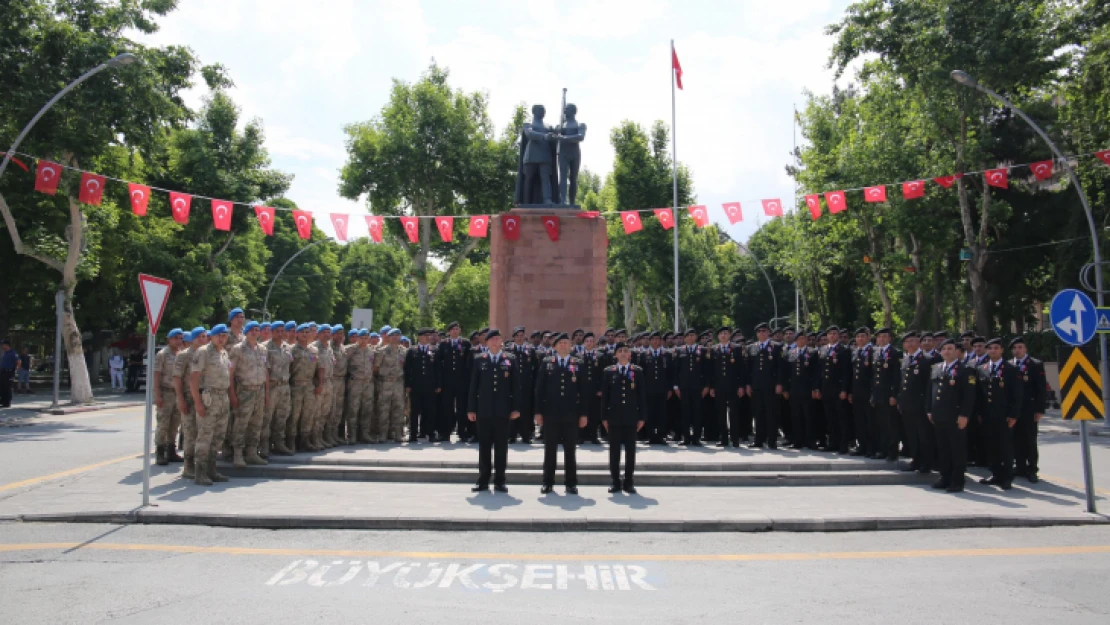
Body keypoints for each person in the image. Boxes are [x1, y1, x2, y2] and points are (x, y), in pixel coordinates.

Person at [468, 329, 521, 493]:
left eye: (497, 339)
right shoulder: (479, 360)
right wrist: (471, 408)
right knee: (484, 446)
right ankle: (483, 480)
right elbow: (473, 387)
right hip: (483, 410)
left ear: (501, 342)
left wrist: (516, 408)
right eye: (491, 339)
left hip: (502, 411)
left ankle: (500, 480)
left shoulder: (510, 360)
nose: (494, 342)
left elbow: (516, 387)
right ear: (487, 342)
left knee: (501, 447)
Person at [534, 333, 586, 494]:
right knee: (550, 450)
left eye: (566, 342)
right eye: (560, 343)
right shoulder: (547, 362)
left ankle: (571, 483)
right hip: (551, 414)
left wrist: (584, 414)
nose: (563, 345)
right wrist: (538, 412)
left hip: (571, 414)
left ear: (571, 346)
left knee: (570, 450)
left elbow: (584, 392)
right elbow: (539, 389)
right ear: (555, 346)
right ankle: (547, 482)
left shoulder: (578, 363)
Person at [928, 339, 977, 493]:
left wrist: (964, 415)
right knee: (943, 448)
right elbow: (931, 391)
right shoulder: (936, 368)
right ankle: (945, 477)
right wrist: (929, 410)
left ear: (957, 351)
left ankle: (957, 481)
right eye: (944, 349)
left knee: (957, 449)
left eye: (950, 348)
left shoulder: (965, 369)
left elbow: (969, 396)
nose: (947, 351)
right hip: (939, 415)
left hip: (956, 417)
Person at [189, 324, 233, 486]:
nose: (222, 338)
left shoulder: (223, 352)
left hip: (223, 396)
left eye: (225, 335)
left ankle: (212, 470)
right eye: (219, 335)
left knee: (219, 435)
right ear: (212, 336)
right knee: (205, 435)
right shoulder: (203, 352)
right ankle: (199, 472)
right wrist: (198, 402)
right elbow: (194, 378)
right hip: (209, 397)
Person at [601, 342, 646, 494]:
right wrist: (604, 417)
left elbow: (642, 396)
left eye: (626, 350)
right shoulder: (609, 372)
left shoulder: (637, 371)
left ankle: (628, 481)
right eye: (620, 350)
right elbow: (605, 397)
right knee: (614, 451)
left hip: (631, 417)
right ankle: (615, 481)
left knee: (630, 451)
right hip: (614, 418)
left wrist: (642, 417)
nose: (623, 353)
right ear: (615, 354)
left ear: (630, 354)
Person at [977, 338, 1019, 490]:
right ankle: (995, 473)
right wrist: (980, 413)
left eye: (996, 348)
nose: (993, 351)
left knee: (1005, 447)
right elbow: (980, 394)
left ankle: (1007, 477)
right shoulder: (982, 368)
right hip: (988, 415)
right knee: (991, 446)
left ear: (1001, 350)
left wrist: (1013, 414)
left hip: (1004, 415)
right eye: (990, 348)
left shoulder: (1011, 368)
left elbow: (1016, 394)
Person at [228, 321, 269, 467]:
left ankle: (252, 452)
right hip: (244, 390)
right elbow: (230, 373)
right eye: (252, 330)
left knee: (257, 423)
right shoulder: (237, 349)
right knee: (241, 423)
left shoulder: (263, 349)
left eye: (257, 330)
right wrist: (232, 394)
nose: (255, 332)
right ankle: (238, 454)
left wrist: (267, 393)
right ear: (246, 332)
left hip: (259, 390)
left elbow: (265, 371)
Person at [1009, 337, 1046, 483]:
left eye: (1020, 347)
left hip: (1029, 408)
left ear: (1025, 349)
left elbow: (1041, 389)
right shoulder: (1009, 365)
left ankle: (1032, 469)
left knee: (1030, 439)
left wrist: (1040, 409)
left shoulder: (1035, 364)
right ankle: (1019, 466)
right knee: (1015, 439)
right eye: (1015, 348)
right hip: (1014, 409)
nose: (1017, 350)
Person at [898, 331, 933, 474]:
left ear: (918, 342)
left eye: (912, 341)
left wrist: (928, 406)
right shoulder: (906, 359)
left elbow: (929, 386)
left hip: (920, 405)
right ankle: (916, 460)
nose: (909, 344)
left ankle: (927, 462)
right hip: (907, 404)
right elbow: (902, 383)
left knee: (923, 435)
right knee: (911, 434)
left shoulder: (927, 359)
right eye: (907, 342)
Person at [174, 327, 206, 479]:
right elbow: (177, 378)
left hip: (204, 397)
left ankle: (200, 465)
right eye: (199, 337)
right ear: (192, 339)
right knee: (190, 432)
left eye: (205, 336)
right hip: (188, 397)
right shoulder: (184, 355)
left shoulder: (205, 353)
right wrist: (180, 399)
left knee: (202, 433)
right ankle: (188, 467)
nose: (203, 339)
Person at [746, 323, 784, 449]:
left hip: (771, 386)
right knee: (758, 414)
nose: (762, 333)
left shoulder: (777, 347)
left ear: (769, 333)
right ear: (756, 334)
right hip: (756, 386)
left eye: (764, 331)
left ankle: (772, 441)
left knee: (771, 414)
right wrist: (748, 384)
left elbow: (780, 368)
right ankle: (758, 440)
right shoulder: (751, 347)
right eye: (759, 331)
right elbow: (749, 368)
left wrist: (779, 383)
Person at [261, 322, 295, 457]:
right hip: (272, 386)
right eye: (277, 331)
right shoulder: (265, 347)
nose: (280, 334)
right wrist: (267, 391)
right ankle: (264, 445)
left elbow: (291, 366)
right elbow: (265, 371)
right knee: (267, 417)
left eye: (282, 331)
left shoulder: (287, 347)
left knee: (282, 416)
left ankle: (279, 443)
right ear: (272, 332)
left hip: (285, 386)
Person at [152, 328, 185, 466]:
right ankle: (160, 452)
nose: (178, 341)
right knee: (163, 424)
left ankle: (171, 451)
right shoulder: (162, 354)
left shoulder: (182, 354)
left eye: (180, 338)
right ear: (169, 339)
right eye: (176, 338)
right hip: (166, 392)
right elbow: (157, 375)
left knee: (175, 424)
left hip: (177, 393)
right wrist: (157, 394)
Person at [816, 326, 850, 453]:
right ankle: (833, 442)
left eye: (834, 333)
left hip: (838, 389)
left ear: (838, 336)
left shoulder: (843, 350)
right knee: (830, 418)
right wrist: (818, 388)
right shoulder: (823, 350)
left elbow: (846, 372)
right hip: (826, 389)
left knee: (841, 417)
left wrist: (844, 389)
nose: (832, 336)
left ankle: (843, 444)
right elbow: (819, 371)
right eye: (829, 334)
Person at [709, 326, 744, 448]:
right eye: (721, 333)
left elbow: (741, 369)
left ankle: (735, 439)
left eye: (726, 333)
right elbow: (712, 371)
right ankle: (723, 439)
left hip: (733, 385)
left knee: (734, 413)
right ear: (718, 337)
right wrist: (712, 387)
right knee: (721, 413)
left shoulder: (737, 348)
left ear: (729, 335)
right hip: (719, 386)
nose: (723, 335)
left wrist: (741, 386)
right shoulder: (714, 349)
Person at [782, 331, 818, 449]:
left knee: (809, 416)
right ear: (795, 340)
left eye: (803, 338)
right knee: (796, 416)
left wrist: (814, 388)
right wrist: (786, 389)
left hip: (807, 390)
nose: (801, 340)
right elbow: (786, 373)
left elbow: (815, 373)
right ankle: (797, 441)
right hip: (794, 390)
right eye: (799, 339)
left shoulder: (812, 352)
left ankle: (810, 441)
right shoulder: (790, 353)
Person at [405, 328, 441, 443]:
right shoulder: (412, 351)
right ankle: (413, 434)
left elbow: (438, 370)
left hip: (430, 386)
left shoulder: (434, 350)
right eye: (425, 335)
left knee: (430, 410)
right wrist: (408, 384)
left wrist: (438, 384)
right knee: (414, 411)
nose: (428, 337)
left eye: (429, 335)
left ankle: (430, 433)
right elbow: (407, 369)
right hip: (416, 386)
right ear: (419, 337)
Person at [870, 327, 901, 462]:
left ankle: (892, 451)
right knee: (881, 424)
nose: (881, 339)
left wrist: (894, 395)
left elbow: (896, 376)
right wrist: (873, 394)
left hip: (889, 395)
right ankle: (882, 449)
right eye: (879, 337)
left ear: (889, 338)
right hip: (878, 394)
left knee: (891, 424)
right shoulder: (876, 352)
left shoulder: (895, 353)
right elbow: (874, 376)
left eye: (884, 336)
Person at [288, 323, 320, 452]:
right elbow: (288, 369)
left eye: (307, 332)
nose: (305, 334)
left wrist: (318, 384)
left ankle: (304, 441)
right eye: (302, 332)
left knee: (308, 415)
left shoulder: (314, 350)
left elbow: (317, 369)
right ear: (297, 334)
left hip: (309, 386)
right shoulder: (291, 350)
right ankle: (291, 441)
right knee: (294, 415)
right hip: (296, 385)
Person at [439, 321, 473, 443]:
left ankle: (462, 433)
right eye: (452, 329)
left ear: (460, 331)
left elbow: (469, 364)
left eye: (457, 329)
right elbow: (439, 364)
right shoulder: (443, 344)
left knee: (461, 408)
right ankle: (446, 433)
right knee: (446, 408)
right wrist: (440, 382)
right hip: (447, 382)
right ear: (449, 331)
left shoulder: (465, 343)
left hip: (461, 382)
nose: (455, 331)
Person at [674, 329, 708, 446]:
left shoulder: (702, 350)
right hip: (683, 387)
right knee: (685, 413)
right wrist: (675, 387)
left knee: (697, 413)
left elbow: (707, 370)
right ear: (684, 338)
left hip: (698, 387)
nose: (690, 337)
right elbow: (675, 371)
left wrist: (706, 386)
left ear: (696, 337)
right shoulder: (679, 351)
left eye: (692, 335)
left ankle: (697, 437)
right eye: (687, 335)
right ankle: (686, 438)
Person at [638, 332, 673, 445]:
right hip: (649, 389)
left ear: (661, 341)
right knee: (650, 413)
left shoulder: (666, 354)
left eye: (658, 339)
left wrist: (669, 388)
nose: (655, 341)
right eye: (653, 339)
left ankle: (661, 436)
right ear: (650, 340)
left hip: (662, 390)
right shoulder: (644, 355)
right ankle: (651, 436)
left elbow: (669, 373)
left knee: (662, 413)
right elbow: (641, 374)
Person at [374, 328, 407, 442]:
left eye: (398, 335)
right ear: (388, 337)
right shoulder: (382, 351)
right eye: (393, 335)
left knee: (399, 409)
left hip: (398, 382)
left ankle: (397, 434)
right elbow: (376, 368)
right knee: (384, 409)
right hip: (385, 383)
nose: (395, 337)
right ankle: (383, 434)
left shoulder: (404, 351)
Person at [345, 329, 376, 443]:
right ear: (358, 338)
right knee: (353, 409)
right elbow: (344, 365)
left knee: (367, 410)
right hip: (355, 383)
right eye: (362, 338)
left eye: (366, 338)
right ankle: (352, 435)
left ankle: (365, 434)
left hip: (368, 384)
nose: (364, 340)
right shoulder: (350, 350)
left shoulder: (372, 350)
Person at [849, 327, 875, 456]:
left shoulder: (872, 352)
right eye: (858, 336)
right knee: (859, 421)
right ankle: (862, 446)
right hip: (857, 392)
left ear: (868, 338)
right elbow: (852, 374)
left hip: (868, 393)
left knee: (869, 421)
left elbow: (874, 375)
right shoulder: (855, 352)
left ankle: (871, 447)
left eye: (862, 336)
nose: (860, 339)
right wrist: (851, 392)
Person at [578, 332, 604, 445]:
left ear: (594, 343)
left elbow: (603, 375)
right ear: (584, 343)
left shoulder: (600, 356)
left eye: (591, 341)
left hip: (595, 391)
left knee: (594, 414)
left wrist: (601, 389)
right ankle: (581, 436)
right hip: (582, 390)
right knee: (582, 413)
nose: (589, 343)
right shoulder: (578, 356)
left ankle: (593, 436)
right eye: (587, 341)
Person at [329, 325, 349, 444]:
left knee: (338, 409)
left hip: (341, 381)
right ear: (333, 335)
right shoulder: (329, 347)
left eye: (342, 333)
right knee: (330, 409)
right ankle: (328, 435)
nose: (340, 336)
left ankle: (334, 434)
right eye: (338, 333)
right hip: (332, 380)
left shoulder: (343, 348)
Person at [1, 340, 17, 407]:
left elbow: (18, 362)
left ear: (7, 345)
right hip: (3, 371)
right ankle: (3, 401)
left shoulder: (12, 353)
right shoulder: (5, 353)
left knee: (7, 387)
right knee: (2, 386)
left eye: (3, 345)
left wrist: (14, 372)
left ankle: (7, 402)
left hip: (9, 372)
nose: (2, 346)